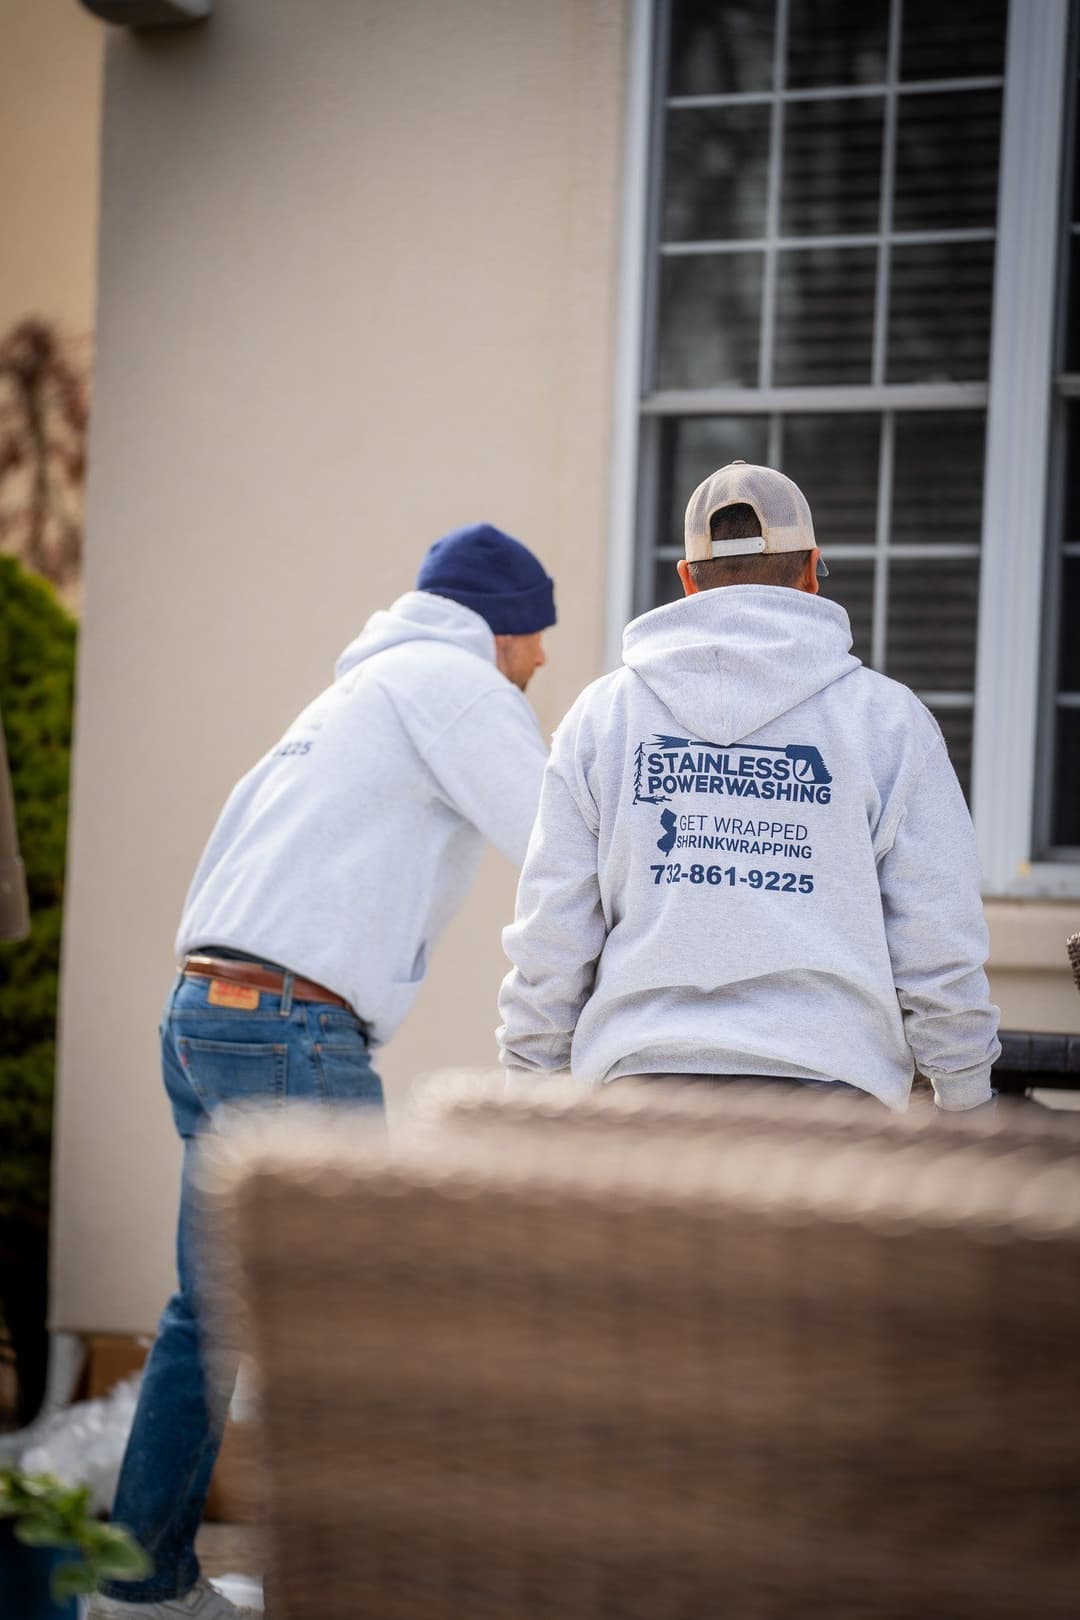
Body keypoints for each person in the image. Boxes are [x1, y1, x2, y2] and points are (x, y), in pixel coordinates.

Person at [90, 522, 555, 1619]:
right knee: (355, 1318)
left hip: (206, 1015)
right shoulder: (457, 684)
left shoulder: (353, 698)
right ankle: (351, 1591)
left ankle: (138, 1591)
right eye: (536, 637)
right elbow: (560, 844)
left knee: (207, 1321)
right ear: (503, 623)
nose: (541, 663)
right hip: (291, 1029)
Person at [498, 462, 1000, 1112]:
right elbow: (939, 950)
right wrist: (967, 1104)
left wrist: (525, 1096)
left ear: (687, 580)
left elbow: (552, 941)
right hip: (831, 1109)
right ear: (810, 570)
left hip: (636, 1110)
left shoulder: (605, 718)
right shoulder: (887, 721)